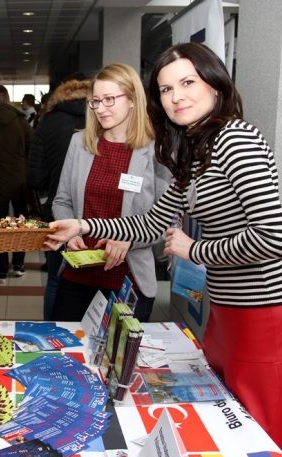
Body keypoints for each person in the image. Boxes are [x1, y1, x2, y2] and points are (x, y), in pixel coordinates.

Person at [46, 43, 282, 457]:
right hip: (225, 312)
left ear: (215, 83)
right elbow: (151, 223)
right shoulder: (194, 150)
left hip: (262, 316)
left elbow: (274, 238)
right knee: (234, 434)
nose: (177, 97)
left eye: (187, 83)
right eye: (167, 89)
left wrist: (196, 248)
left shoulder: (235, 138)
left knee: (266, 439)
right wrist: (83, 225)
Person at [50, 63, 170, 323]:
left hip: (129, 280)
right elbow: (62, 201)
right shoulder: (80, 144)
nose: (101, 108)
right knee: (64, 354)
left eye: (109, 99)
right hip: (78, 273)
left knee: (117, 361)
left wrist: (129, 239)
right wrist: (71, 235)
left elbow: (166, 220)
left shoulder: (155, 151)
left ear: (132, 100)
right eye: (95, 101)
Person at [26, 76, 92, 320]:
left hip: (58, 210)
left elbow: (34, 176)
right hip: (100, 214)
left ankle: (51, 330)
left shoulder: (49, 122)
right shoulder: (102, 119)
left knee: (56, 278)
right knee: (98, 280)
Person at [0, 84, 32, 283]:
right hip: (20, 181)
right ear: (7, 98)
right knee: (21, 223)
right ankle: (19, 265)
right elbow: (32, 148)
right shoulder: (21, 122)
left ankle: (1, 269)